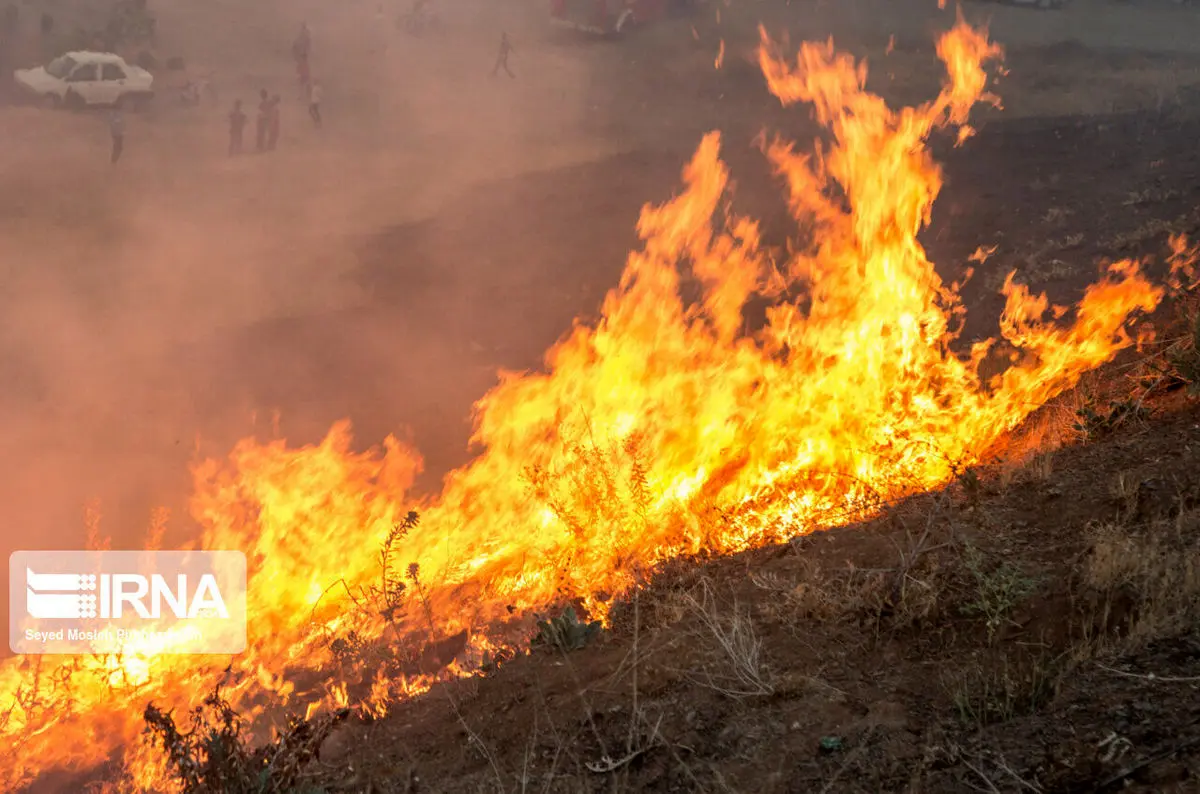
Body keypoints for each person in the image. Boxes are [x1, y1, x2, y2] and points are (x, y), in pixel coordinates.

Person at [292, 22, 311, 97]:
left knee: (303, 81)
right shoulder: (301, 38)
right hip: (301, 64)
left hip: (302, 64)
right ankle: (301, 95)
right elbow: (294, 48)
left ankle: (303, 95)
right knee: (301, 81)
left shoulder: (305, 38)